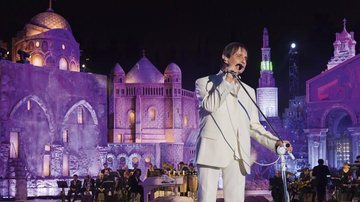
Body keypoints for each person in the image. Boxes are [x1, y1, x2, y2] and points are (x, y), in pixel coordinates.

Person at [194, 42, 293, 202]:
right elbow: (210, 105)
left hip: (238, 155)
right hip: (211, 151)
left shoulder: (249, 91)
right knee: (206, 198)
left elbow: (254, 127)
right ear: (225, 58)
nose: (244, 60)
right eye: (239, 55)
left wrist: (275, 143)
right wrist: (227, 80)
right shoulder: (205, 83)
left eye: (246, 57)